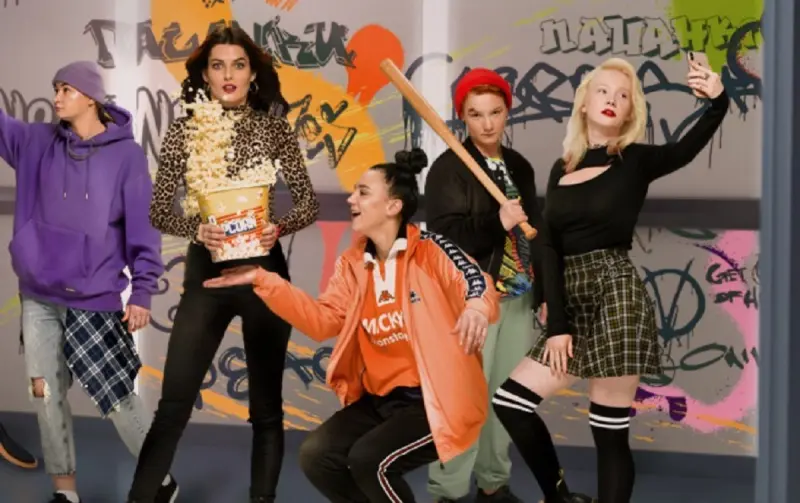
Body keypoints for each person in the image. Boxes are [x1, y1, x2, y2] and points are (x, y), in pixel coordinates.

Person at [491, 57, 728, 503]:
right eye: (603, 91)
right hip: (570, 297)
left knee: (608, 430)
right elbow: (548, 244)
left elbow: (685, 148)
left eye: (623, 96)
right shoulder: (563, 166)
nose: (612, 100)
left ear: (629, 111)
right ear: (584, 103)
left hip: (616, 294)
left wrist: (717, 101)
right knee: (511, 402)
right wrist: (554, 315)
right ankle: (560, 498)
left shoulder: (635, 160)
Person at [202, 148, 500, 503]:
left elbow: (476, 281)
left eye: (363, 192)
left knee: (368, 461)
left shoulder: (431, 250)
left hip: (437, 399)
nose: (351, 199)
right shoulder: (353, 264)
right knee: (317, 456)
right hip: (381, 400)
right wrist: (262, 279)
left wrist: (476, 308)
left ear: (393, 206)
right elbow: (323, 321)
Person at [126, 25, 319, 503]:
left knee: (267, 412)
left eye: (238, 65)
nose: (228, 74)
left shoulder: (274, 129)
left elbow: (308, 204)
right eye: (218, 65)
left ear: (252, 74)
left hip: (264, 277)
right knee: (172, 406)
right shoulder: (185, 130)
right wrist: (196, 229)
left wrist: (278, 227)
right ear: (205, 75)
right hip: (206, 277)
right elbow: (158, 210)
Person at [0, 61, 170, 503]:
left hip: (93, 296)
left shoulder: (126, 157)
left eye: (67, 90)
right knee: (45, 392)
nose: (57, 98)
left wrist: (143, 290)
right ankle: (65, 492)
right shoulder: (35, 142)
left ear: (91, 98)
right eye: (55, 88)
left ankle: (160, 481)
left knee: (117, 398)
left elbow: (143, 229)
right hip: (38, 295)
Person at [424, 68, 590, 503]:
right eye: (476, 114)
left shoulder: (518, 166)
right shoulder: (449, 168)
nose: (487, 124)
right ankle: (447, 492)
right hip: (473, 300)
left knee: (504, 399)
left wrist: (545, 294)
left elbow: (537, 234)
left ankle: (493, 483)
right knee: (464, 398)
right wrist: (496, 221)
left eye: (495, 112)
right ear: (463, 117)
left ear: (506, 112)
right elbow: (442, 238)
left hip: (517, 297)